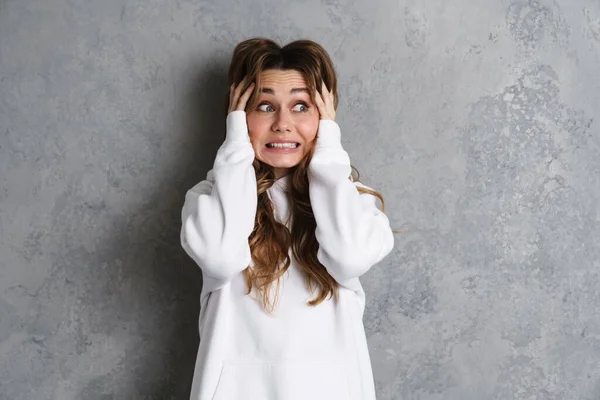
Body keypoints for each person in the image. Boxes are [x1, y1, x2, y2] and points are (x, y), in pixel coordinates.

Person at [180, 37, 396, 400]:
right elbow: (220, 257)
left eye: (301, 106)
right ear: (239, 117)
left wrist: (328, 155)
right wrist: (236, 150)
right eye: (264, 106)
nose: (282, 123)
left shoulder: (354, 204)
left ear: (325, 118)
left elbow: (349, 256)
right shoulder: (208, 200)